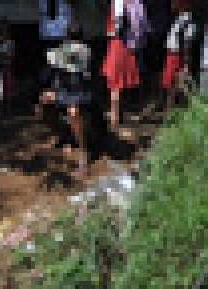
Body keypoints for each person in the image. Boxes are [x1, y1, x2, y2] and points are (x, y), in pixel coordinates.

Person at [39, 23, 93, 179]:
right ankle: (63, 135)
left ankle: (83, 154)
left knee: (73, 111)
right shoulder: (62, 50)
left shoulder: (85, 52)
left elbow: (79, 70)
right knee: (43, 101)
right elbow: (51, 62)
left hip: (80, 94)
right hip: (63, 91)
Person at [102, 0, 147, 134]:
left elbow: (118, 25)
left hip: (119, 44)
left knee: (115, 84)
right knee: (122, 84)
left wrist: (111, 32)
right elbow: (143, 27)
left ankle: (114, 122)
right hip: (132, 46)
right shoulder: (138, 3)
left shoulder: (119, 2)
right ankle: (119, 117)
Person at [162, 1, 197, 110]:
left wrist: (186, 63)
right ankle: (171, 112)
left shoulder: (188, 22)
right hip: (171, 55)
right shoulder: (178, 20)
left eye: (175, 2)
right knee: (171, 86)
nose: (172, 4)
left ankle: (189, 110)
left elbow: (187, 44)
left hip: (177, 56)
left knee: (179, 85)